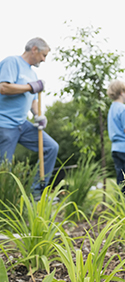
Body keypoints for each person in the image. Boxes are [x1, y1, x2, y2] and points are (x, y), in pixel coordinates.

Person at [0, 37, 59, 198]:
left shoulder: (32, 73)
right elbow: (3, 87)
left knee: (51, 147)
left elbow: (33, 100)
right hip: (4, 123)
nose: (44, 60)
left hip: (22, 124)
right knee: (4, 168)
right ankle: (5, 206)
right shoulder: (12, 62)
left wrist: (39, 115)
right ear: (34, 49)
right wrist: (30, 86)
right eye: (43, 55)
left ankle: (36, 194)